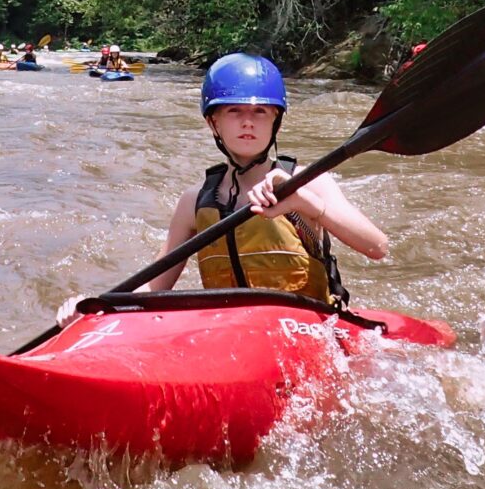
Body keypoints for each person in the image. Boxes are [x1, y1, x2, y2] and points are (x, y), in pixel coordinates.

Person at [57, 53, 388, 326]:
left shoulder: (307, 180)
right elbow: (152, 288)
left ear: (276, 120)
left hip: (308, 329)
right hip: (228, 333)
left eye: (260, 111)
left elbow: (377, 246)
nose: (248, 122)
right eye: (234, 111)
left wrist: (306, 203)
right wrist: (93, 310)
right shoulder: (196, 200)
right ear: (212, 122)